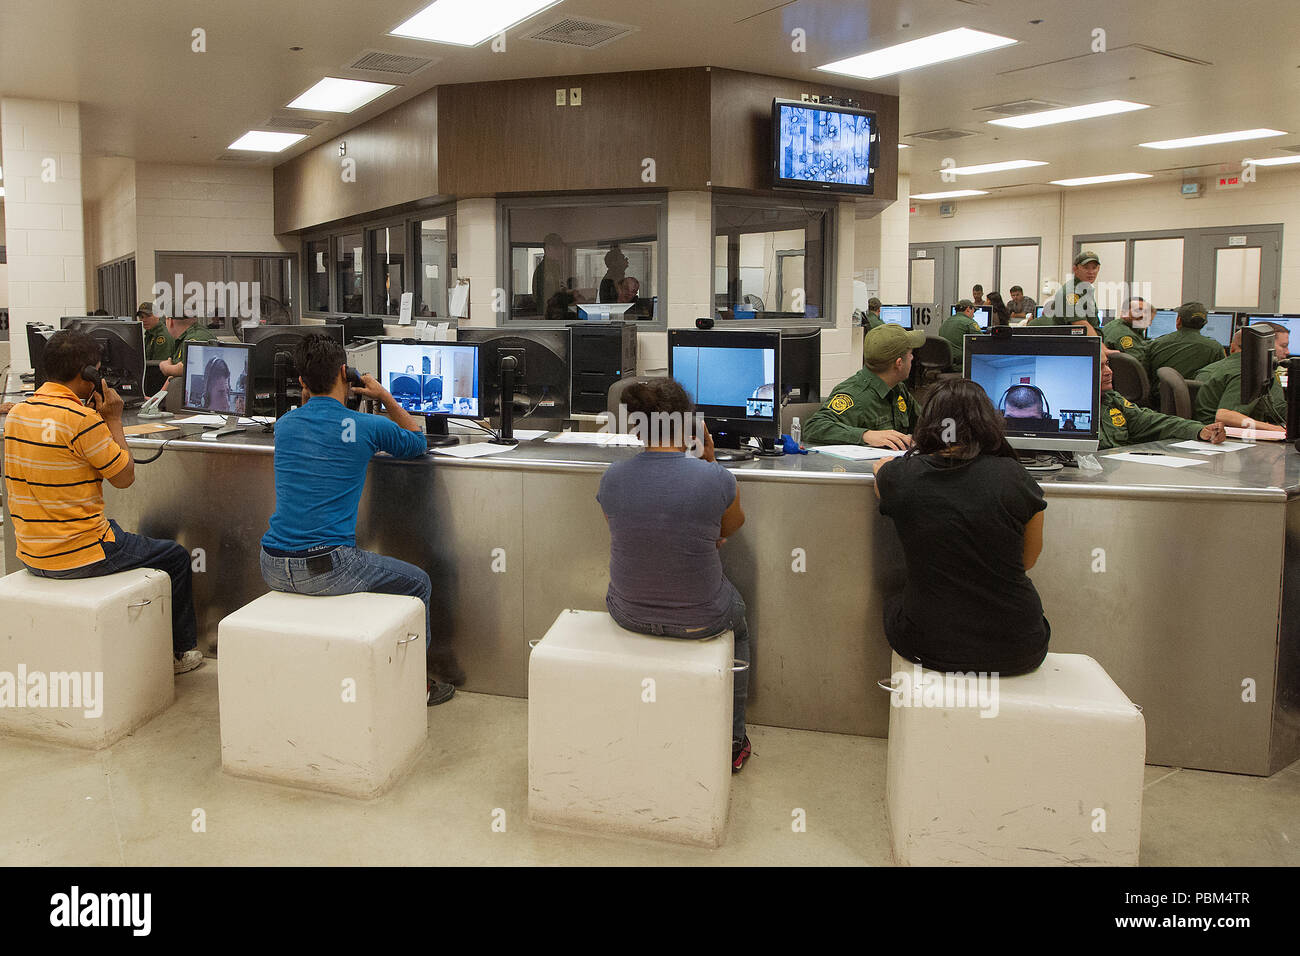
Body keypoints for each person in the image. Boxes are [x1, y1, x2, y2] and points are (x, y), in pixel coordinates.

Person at [259, 333, 460, 705]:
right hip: (326, 568)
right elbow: (417, 440)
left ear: (301, 381)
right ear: (344, 372)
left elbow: (312, 422)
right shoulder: (365, 428)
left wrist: (312, 395)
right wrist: (384, 397)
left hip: (272, 563)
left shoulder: (285, 426)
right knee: (419, 583)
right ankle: (419, 686)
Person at [2, 331, 202, 674]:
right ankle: (183, 653)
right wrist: (112, 419)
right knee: (177, 556)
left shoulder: (18, 414)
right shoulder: (82, 421)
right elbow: (124, 477)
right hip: (78, 556)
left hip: (33, 553)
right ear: (88, 376)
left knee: (120, 530)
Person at [596, 378, 752, 772]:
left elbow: (625, 526)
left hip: (627, 613)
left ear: (635, 427)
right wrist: (710, 461)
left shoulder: (612, 477)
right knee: (740, 621)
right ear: (690, 425)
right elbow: (730, 527)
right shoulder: (714, 478)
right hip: (702, 619)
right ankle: (734, 741)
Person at [872, 378, 1049, 676]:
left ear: (927, 423)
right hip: (1020, 646)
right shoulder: (1016, 477)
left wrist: (890, 467)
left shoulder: (900, 477)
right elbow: (1027, 561)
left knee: (893, 602)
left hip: (930, 643)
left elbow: (883, 478)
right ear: (990, 421)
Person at [804, 324, 924, 449]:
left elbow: (925, 422)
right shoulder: (855, 395)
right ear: (899, 363)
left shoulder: (897, 388)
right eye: (910, 353)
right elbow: (814, 427)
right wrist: (865, 435)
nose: (912, 357)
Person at [1096, 349, 1225, 448]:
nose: (1109, 371)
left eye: (1107, 364)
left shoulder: (1110, 399)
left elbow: (1152, 422)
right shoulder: (1078, 407)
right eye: (1100, 367)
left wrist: (1199, 430)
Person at [1193, 323, 1289, 432]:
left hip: (1209, 432)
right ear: (1267, 346)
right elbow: (1224, 416)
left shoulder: (1212, 368)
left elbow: (1277, 408)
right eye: (1284, 346)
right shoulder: (1248, 371)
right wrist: (1280, 430)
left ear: (1233, 347)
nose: (1288, 352)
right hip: (1221, 434)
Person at [1145, 300, 1226, 381]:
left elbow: (1145, 375)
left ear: (1178, 320)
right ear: (1203, 324)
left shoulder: (1156, 344)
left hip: (1160, 393)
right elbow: (1220, 378)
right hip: (1195, 393)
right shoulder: (1215, 348)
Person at [1030, 251, 1101, 335]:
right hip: (1076, 345)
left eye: (1094, 268)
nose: (1091, 272)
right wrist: (1102, 348)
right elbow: (1081, 325)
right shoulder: (1071, 292)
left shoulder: (1086, 290)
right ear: (1075, 269)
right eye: (1086, 267)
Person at [158, 312, 216, 379]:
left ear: (170, 321)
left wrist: (166, 368)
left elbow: (190, 368)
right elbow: (173, 376)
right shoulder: (184, 338)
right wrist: (163, 390)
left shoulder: (196, 338)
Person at [938, 298, 984, 372]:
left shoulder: (946, 322)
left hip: (944, 364)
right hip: (960, 366)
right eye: (974, 311)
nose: (974, 315)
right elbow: (982, 343)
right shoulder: (970, 323)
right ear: (968, 309)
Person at [531, 232, 567, 317]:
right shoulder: (543, 270)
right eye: (558, 248)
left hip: (556, 314)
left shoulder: (555, 267)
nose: (561, 252)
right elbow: (544, 298)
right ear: (549, 248)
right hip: (550, 316)